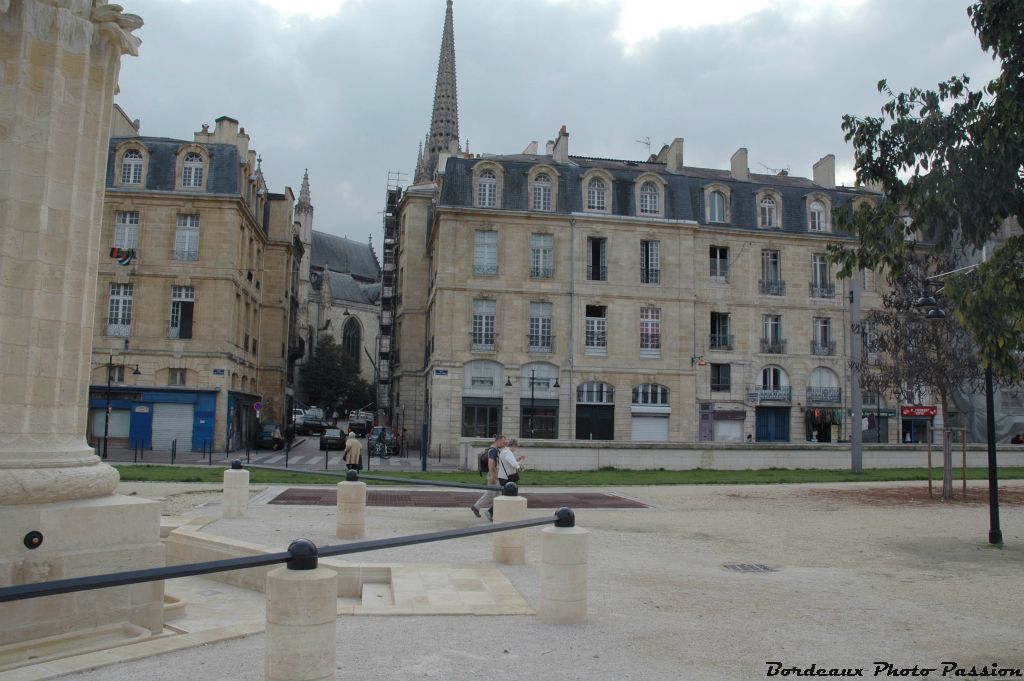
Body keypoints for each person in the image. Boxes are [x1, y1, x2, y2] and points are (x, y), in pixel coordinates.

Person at [471, 434, 505, 521]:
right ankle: (479, 508)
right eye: (503, 442)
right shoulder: (493, 450)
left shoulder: (494, 449)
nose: (504, 443)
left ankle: (491, 512)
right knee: (491, 494)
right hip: (493, 475)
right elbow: (491, 463)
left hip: (494, 474)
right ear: (498, 441)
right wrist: (492, 476)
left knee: (498, 494)